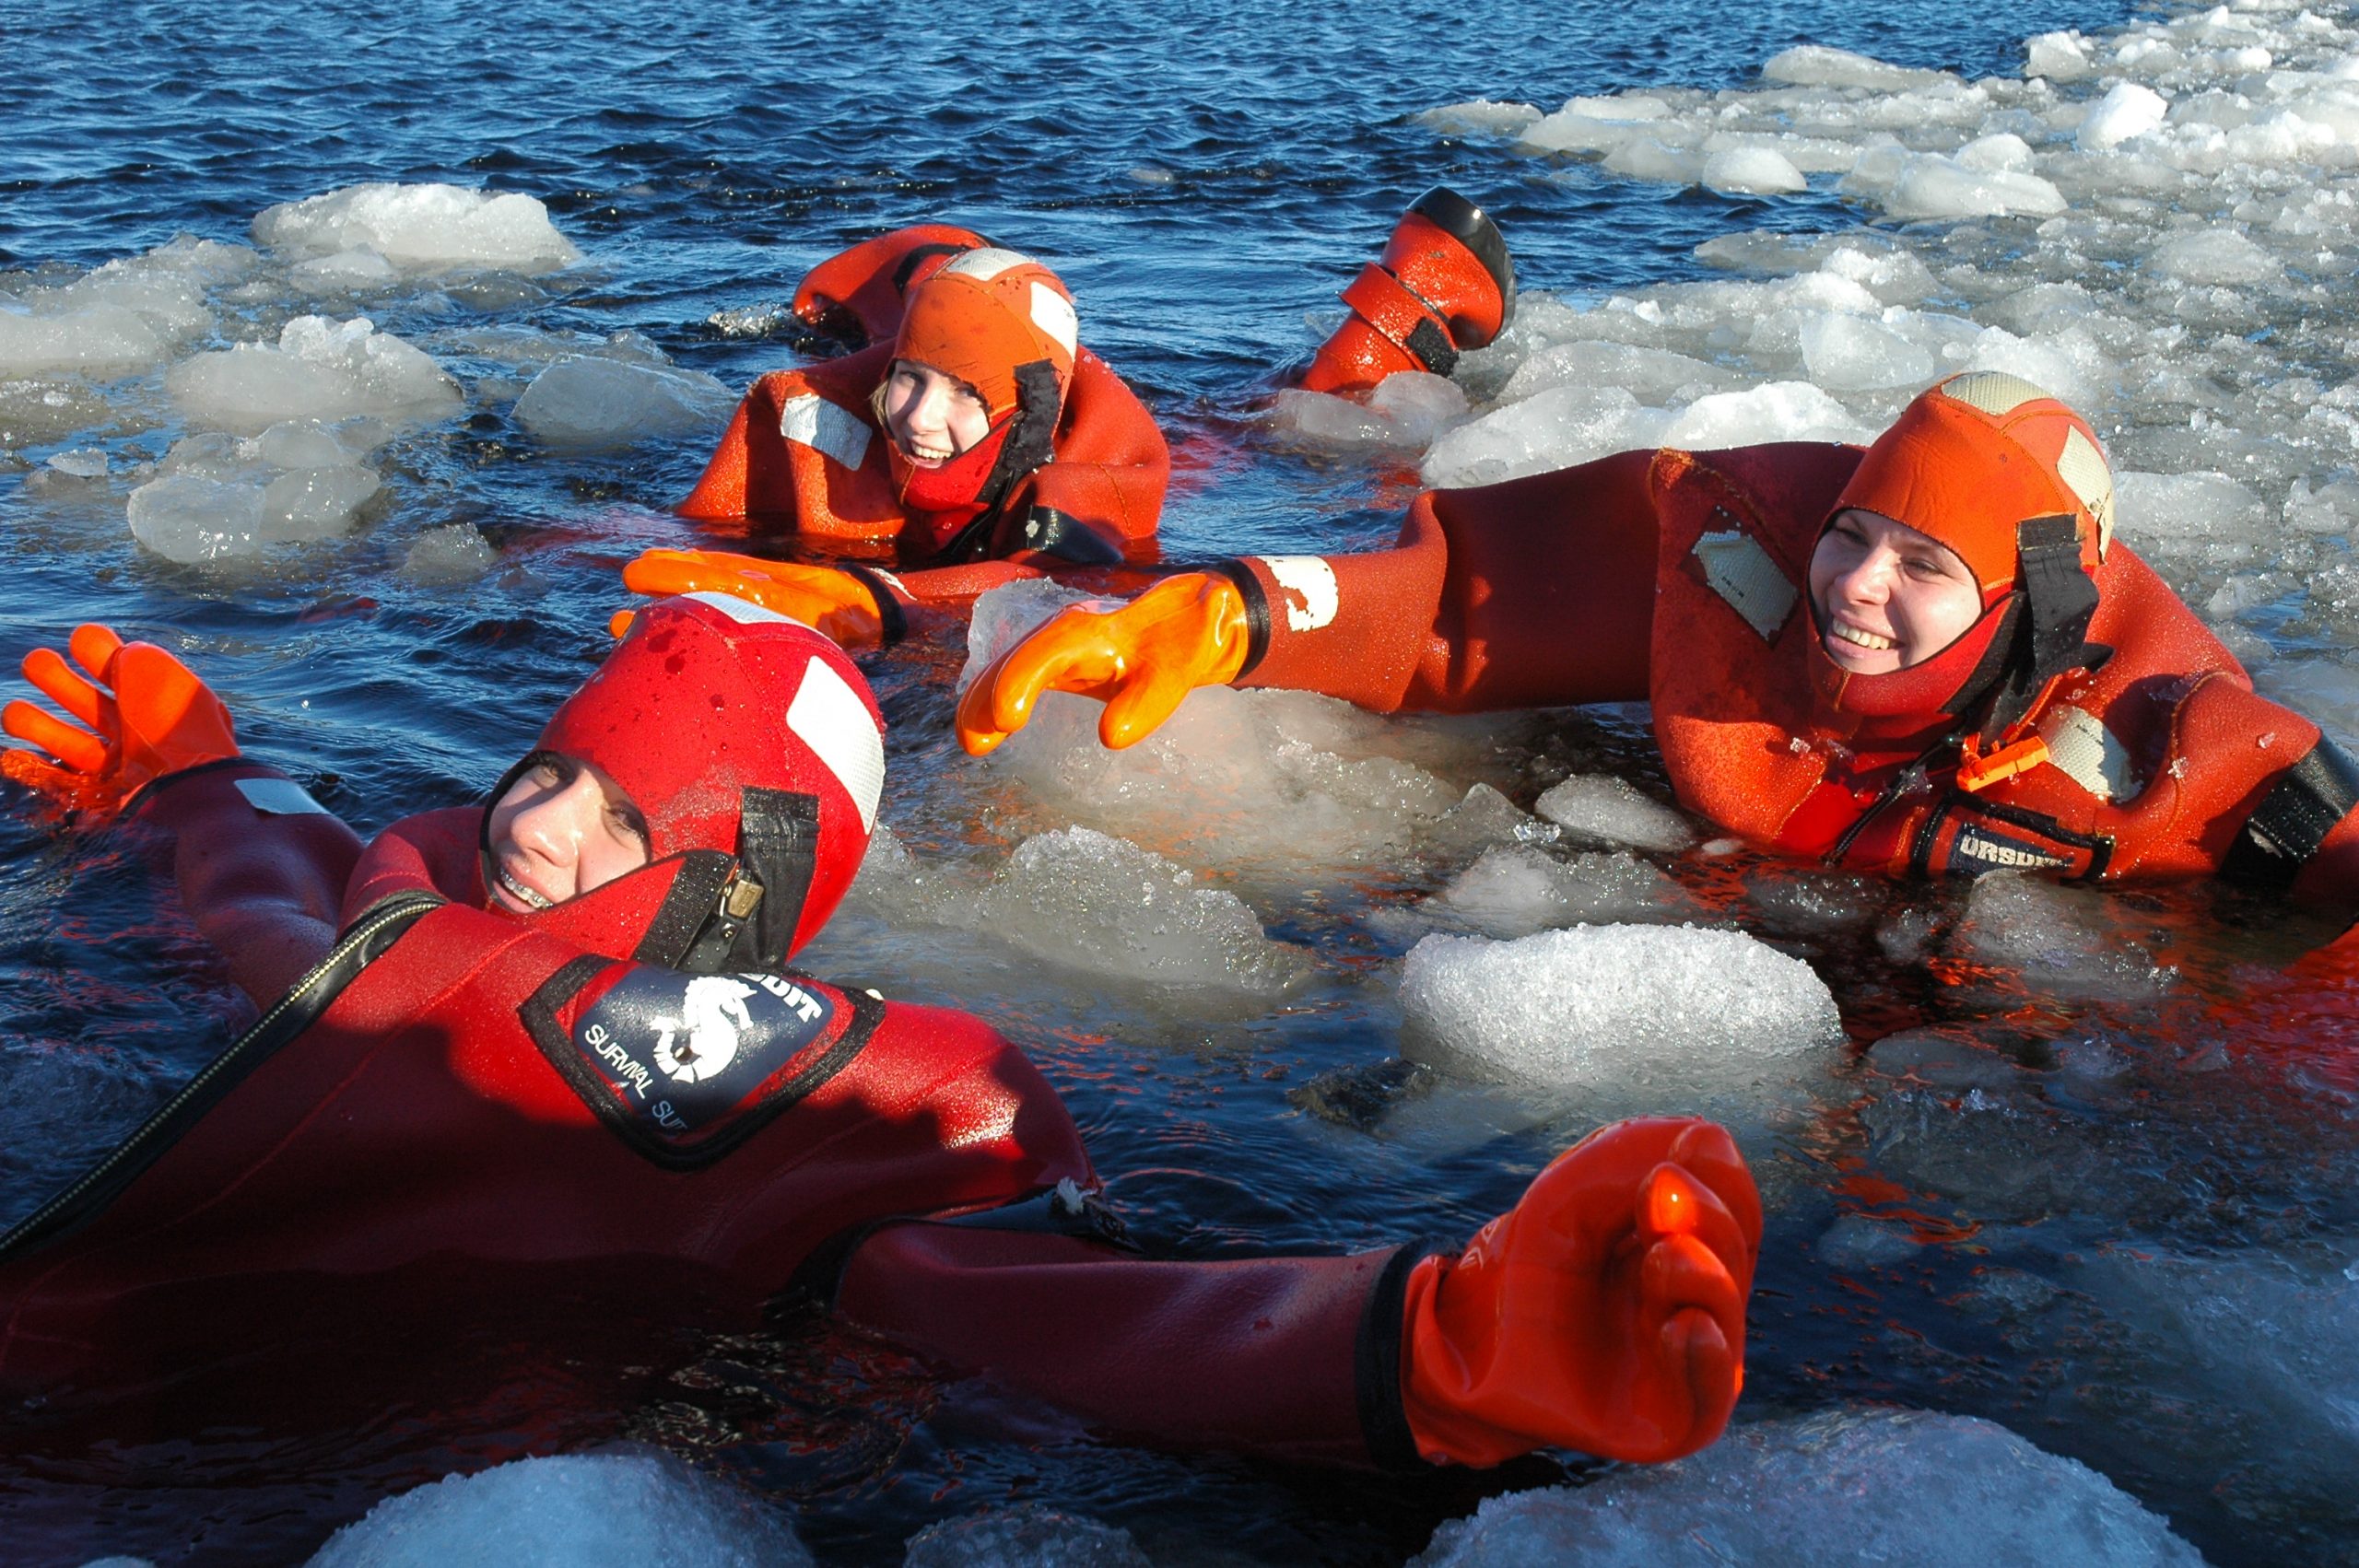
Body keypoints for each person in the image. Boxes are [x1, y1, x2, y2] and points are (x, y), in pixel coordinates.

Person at [0, 597, 1759, 1472]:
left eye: (625, 823)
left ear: (728, 902)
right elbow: (278, 900)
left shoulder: (781, 1095)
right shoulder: (405, 890)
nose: (540, 831)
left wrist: (1418, 1345)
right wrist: (197, 777)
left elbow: (1057, 1305)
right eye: (550, 770)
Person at [952, 371, 2359, 903]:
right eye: (1857, 531)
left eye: (1924, 565)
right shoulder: (1746, 551)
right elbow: (1460, 608)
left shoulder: (2168, 751)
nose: (1856, 584)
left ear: (2034, 607)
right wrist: (1238, 613)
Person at [637, 192, 1519, 650]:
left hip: (1145, 452)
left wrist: (882, 602)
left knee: (1252, 433)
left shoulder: (1095, 469)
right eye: (907, 379)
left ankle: (1393, 324)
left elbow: (1064, 587)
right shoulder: (816, 406)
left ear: (1023, 410)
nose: (912, 418)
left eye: (957, 395)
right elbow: (689, 526)